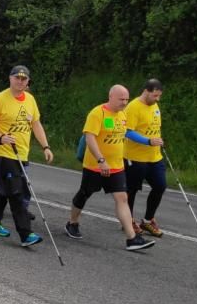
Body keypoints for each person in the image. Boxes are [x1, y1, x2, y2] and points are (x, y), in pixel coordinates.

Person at [66, 84, 161, 251]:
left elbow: (123, 136)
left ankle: (132, 238)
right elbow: (90, 138)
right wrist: (101, 160)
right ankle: (72, 222)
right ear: (110, 97)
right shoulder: (98, 113)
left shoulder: (123, 115)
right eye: (121, 99)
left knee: (122, 198)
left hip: (117, 166)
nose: (124, 103)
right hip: (95, 165)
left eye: (126, 99)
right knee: (85, 193)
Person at [0, 65, 53, 247]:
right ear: (10, 79)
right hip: (3, 153)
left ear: (28, 82)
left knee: (4, 190)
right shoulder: (0, 99)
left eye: (24, 78)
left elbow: (36, 124)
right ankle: (25, 233)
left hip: (21, 153)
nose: (20, 81)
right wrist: (0, 137)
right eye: (17, 78)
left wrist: (45, 146)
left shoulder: (30, 100)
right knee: (16, 191)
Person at [124, 79, 167, 237]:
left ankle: (148, 220)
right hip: (135, 157)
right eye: (155, 95)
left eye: (159, 96)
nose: (157, 99)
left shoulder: (154, 106)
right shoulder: (133, 107)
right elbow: (127, 131)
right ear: (146, 91)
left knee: (160, 185)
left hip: (154, 156)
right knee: (131, 190)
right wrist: (148, 141)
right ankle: (128, 221)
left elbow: (155, 127)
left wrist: (158, 140)